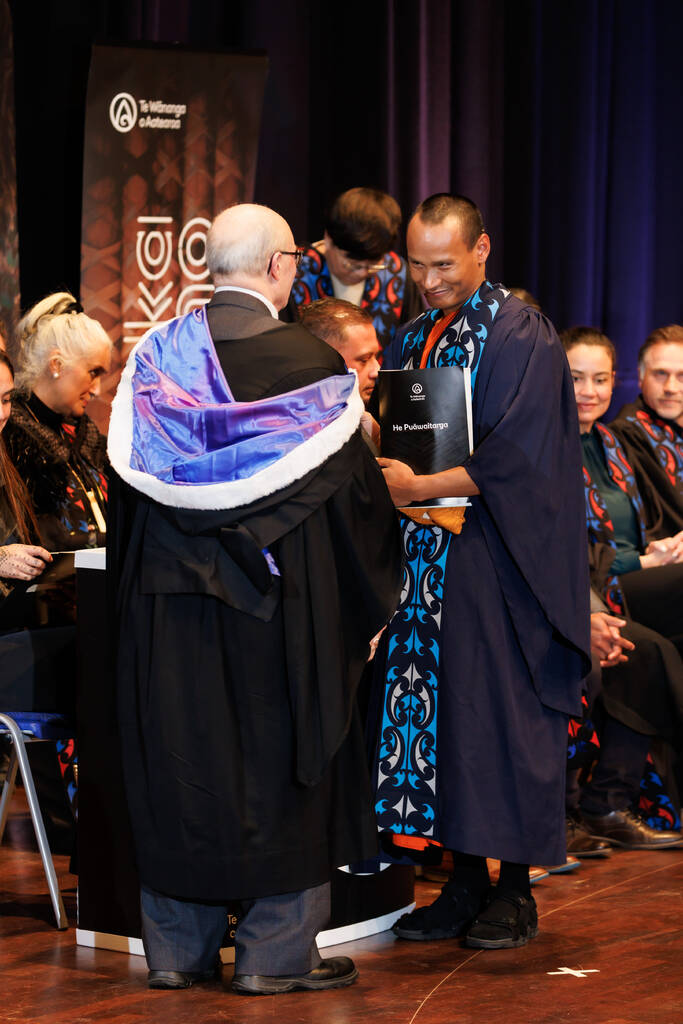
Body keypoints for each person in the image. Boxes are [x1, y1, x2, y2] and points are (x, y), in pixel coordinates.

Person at [107, 203, 403, 994]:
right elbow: (357, 508)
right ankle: (274, 956)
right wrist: (365, 600)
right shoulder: (314, 368)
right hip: (283, 611)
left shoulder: (154, 362)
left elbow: (129, 496)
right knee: (281, 766)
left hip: (169, 605)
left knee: (179, 763)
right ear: (281, 267)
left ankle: (175, 952)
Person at [370, 193, 590, 950]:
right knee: (446, 723)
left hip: (494, 560)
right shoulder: (412, 335)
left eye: (443, 264)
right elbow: (404, 433)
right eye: (417, 264)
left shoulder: (516, 331)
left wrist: (418, 487)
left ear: (480, 249)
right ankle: (463, 881)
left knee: (499, 718)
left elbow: (516, 455)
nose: (428, 279)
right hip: (423, 566)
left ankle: (516, 891)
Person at [561, 327, 683, 655]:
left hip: (645, 571)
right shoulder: (548, 450)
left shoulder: (612, 443)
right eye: (575, 378)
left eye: (599, 380)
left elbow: (654, 521)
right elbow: (558, 548)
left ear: (614, 381)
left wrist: (667, 547)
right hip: (599, 587)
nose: (588, 391)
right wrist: (643, 562)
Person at [566, 601, 683, 851]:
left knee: (647, 650)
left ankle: (607, 803)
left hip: (588, 598)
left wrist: (598, 616)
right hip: (544, 608)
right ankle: (565, 811)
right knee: (633, 654)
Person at [3, 292, 111, 551]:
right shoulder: (10, 437)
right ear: (56, 364)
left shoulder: (90, 440)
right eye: (92, 372)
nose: (97, 389)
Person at [286, 187, 423, 348]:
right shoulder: (295, 271)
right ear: (328, 239)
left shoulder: (396, 272)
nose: (363, 273)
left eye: (373, 266)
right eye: (352, 265)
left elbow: (413, 341)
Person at [611, 325, 683, 538]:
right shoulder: (627, 433)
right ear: (641, 376)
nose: (670, 387)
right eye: (660, 374)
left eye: (682, 375)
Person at [299, 298, 382, 406]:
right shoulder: (294, 418)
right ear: (323, 361)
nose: (377, 371)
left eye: (376, 357)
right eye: (364, 360)